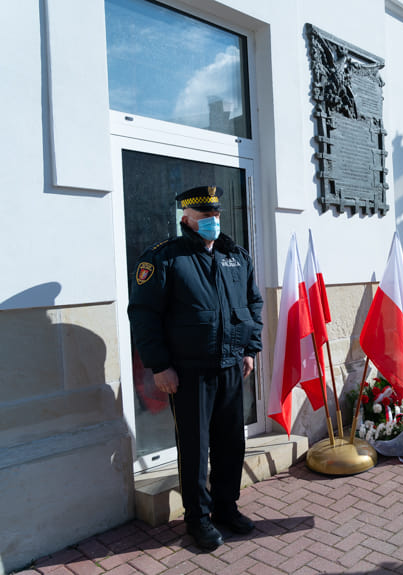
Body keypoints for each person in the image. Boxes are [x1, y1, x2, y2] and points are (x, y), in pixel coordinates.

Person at [128, 186, 264, 550]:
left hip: (232, 366)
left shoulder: (235, 256)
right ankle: (198, 518)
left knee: (231, 441)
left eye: (216, 217)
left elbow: (252, 304)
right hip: (189, 372)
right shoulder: (164, 259)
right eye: (205, 218)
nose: (213, 223)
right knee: (194, 446)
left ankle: (225, 507)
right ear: (185, 219)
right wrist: (160, 366)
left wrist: (250, 349)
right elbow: (144, 317)